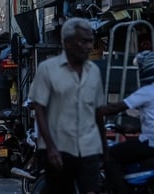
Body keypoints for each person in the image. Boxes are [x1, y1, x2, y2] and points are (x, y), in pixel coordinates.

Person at [29, 17, 104, 194]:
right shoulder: (47, 69)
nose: (88, 46)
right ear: (68, 43)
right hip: (59, 148)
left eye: (90, 41)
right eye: (83, 41)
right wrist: (51, 147)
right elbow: (39, 109)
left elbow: (97, 111)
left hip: (88, 147)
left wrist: (104, 150)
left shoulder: (93, 71)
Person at [100, 50, 154, 194]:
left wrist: (94, 112)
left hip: (150, 143)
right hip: (149, 139)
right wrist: (132, 128)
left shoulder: (148, 91)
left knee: (111, 155)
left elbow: (115, 107)